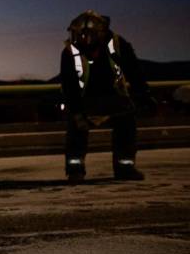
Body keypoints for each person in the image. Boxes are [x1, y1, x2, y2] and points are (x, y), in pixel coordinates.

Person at [59, 10, 152, 183]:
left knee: (127, 123)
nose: (83, 39)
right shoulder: (69, 53)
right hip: (84, 100)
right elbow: (69, 87)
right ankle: (75, 170)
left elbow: (134, 71)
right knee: (76, 128)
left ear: (99, 34)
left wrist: (143, 95)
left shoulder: (117, 44)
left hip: (114, 98)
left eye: (87, 35)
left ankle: (125, 167)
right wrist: (78, 112)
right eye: (79, 34)